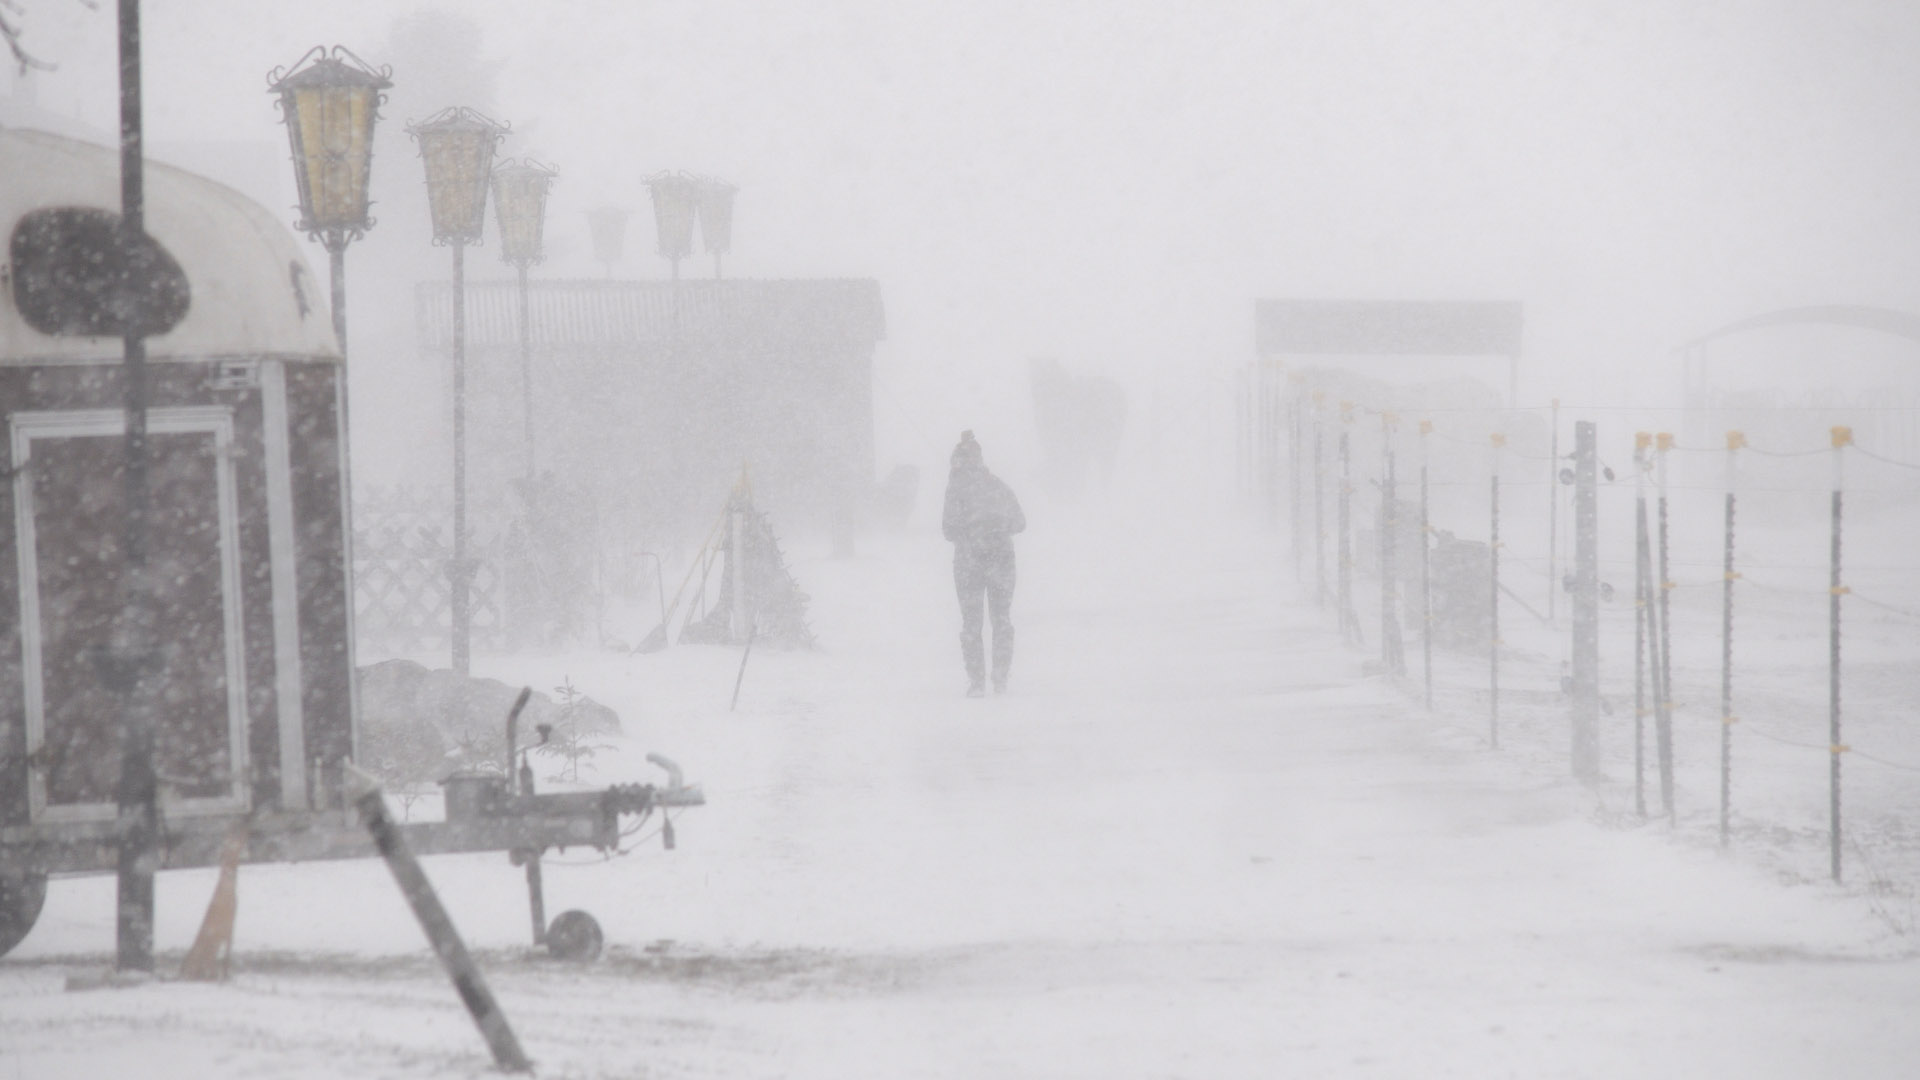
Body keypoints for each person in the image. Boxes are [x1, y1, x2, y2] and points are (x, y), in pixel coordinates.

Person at [941, 431, 1026, 696]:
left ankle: (976, 683)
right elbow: (1020, 522)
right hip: (1001, 560)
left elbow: (948, 530)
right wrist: (997, 530)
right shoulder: (998, 485)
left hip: (968, 564)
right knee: (1001, 620)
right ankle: (1000, 679)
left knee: (971, 623)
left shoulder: (955, 491)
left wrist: (972, 533)